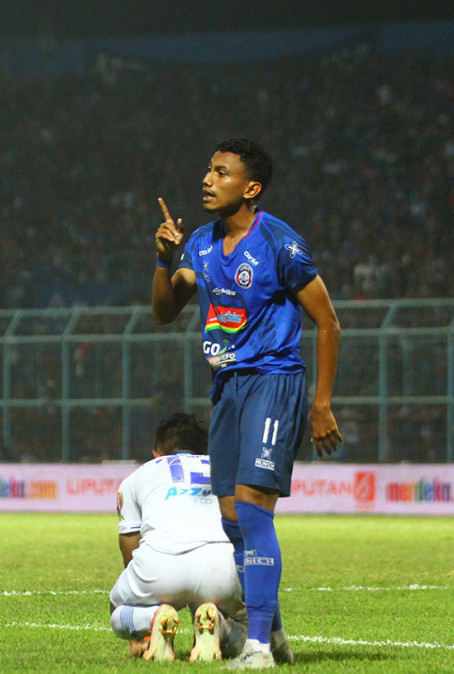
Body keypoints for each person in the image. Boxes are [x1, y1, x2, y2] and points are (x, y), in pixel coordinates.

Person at [151, 138, 343, 669]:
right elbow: (164, 312)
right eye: (208, 170)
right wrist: (163, 261)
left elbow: (328, 323)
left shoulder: (280, 243)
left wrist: (321, 404)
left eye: (221, 172)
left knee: (254, 505)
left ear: (251, 187)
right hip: (228, 387)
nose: (207, 179)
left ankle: (256, 646)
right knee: (231, 515)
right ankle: (274, 635)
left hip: (273, 381)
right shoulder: (201, 245)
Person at [109, 413, 251, 663]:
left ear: (157, 454)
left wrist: (142, 596)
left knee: (117, 609)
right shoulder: (225, 469)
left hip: (159, 568)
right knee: (250, 636)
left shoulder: (136, 477)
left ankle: (151, 620)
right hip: (221, 569)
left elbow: (129, 541)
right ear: (204, 451)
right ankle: (218, 625)